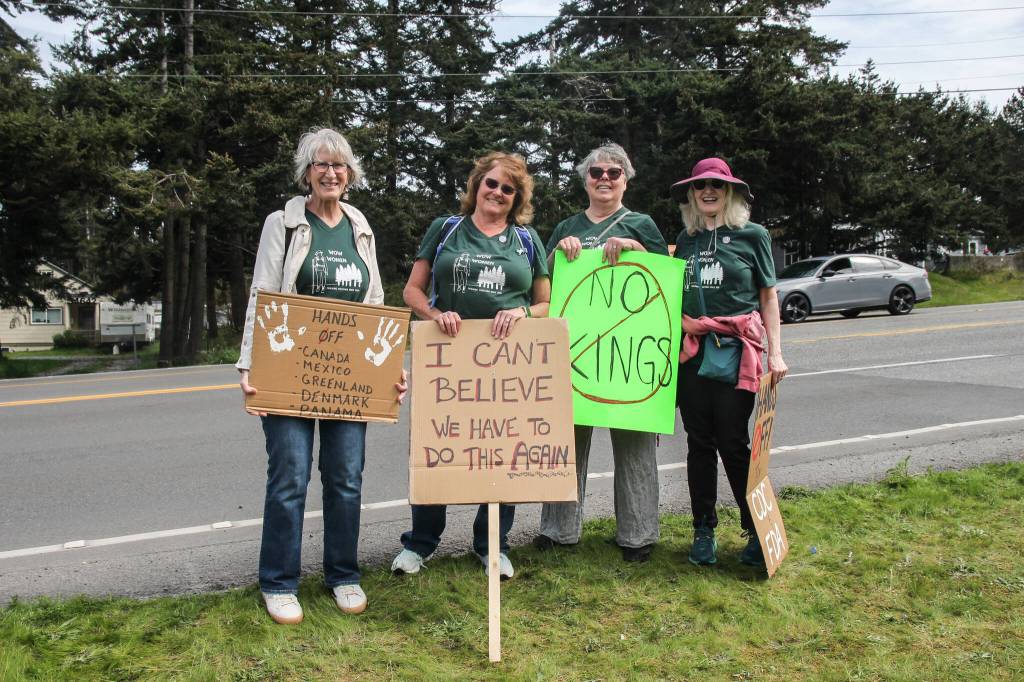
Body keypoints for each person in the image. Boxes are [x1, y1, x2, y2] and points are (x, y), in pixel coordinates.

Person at [236, 128, 407, 624]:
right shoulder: (284, 223)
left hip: (349, 378)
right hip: (291, 367)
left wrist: (389, 371)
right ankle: (279, 581)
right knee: (289, 477)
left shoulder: (359, 224)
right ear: (306, 173)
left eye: (339, 166)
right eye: (320, 165)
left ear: (350, 175)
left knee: (346, 479)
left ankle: (343, 575)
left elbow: (374, 305)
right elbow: (263, 294)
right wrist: (250, 367)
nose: (330, 173)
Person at [391, 151, 550, 580]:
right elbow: (412, 291)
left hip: (509, 366)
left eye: (508, 188)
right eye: (492, 184)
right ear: (477, 186)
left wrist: (523, 315)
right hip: (448, 362)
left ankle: (492, 545)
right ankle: (421, 543)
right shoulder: (445, 230)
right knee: (437, 447)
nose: (498, 192)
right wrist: (433, 315)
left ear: (517, 198)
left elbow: (546, 303)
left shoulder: (526, 240)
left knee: (502, 452)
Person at [534, 142, 668, 562]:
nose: (604, 179)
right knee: (567, 444)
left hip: (628, 358)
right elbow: (544, 283)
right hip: (576, 354)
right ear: (585, 180)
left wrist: (636, 249)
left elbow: (665, 278)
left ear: (625, 179)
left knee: (635, 447)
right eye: (597, 173)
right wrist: (561, 252)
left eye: (613, 173)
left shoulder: (641, 224)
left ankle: (638, 534)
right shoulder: (566, 226)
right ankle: (558, 531)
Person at [669, 157, 788, 569]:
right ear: (691, 193)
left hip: (738, 354)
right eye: (700, 185)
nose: (708, 191)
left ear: (731, 192)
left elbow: (768, 296)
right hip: (693, 354)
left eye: (717, 186)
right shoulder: (685, 241)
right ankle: (703, 530)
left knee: (734, 444)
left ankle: (755, 528)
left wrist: (776, 351)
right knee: (699, 444)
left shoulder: (753, 236)